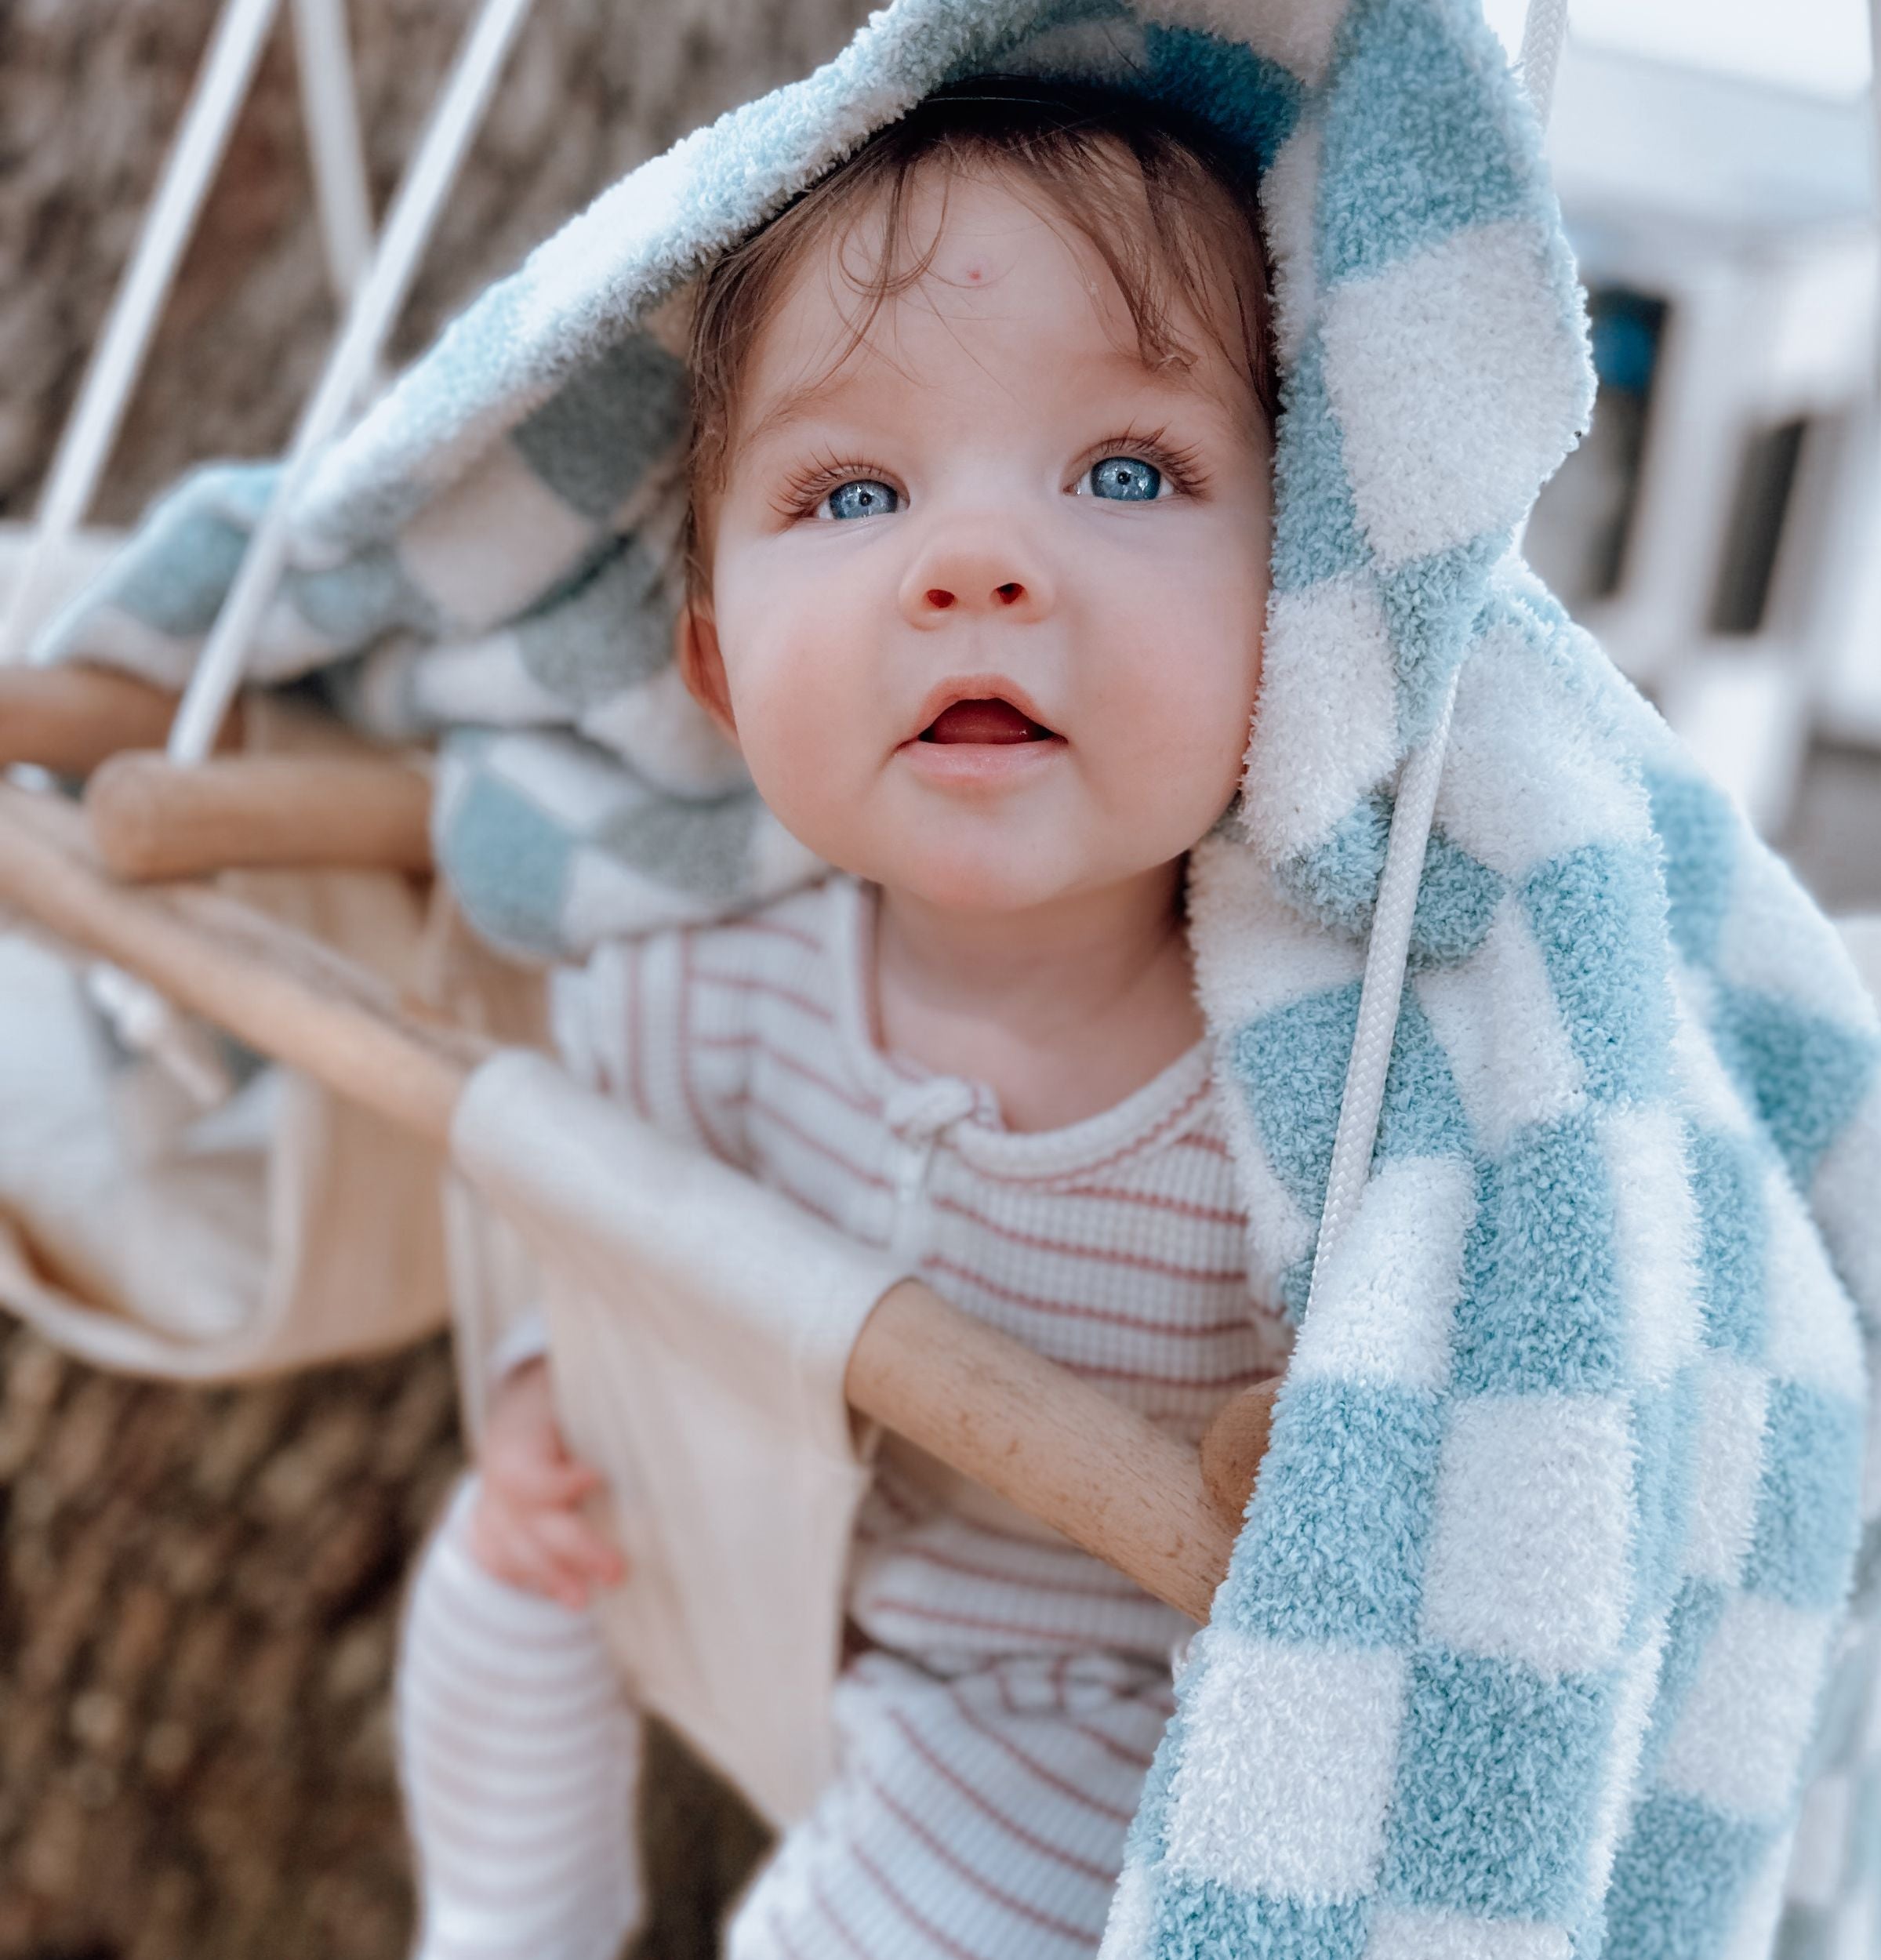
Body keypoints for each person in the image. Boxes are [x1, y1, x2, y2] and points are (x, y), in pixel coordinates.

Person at [393, 78, 1292, 1960]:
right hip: (791, 1582)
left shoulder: (1308, 1099)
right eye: (853, 492)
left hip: (1113, 1720)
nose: (974, 566)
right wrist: (561, 1395)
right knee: (490, 1574)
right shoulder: (691, 991)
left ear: (1299, 612)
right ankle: (503, 1920)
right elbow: (609, 1259)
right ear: (715, 671)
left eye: (1124, 472)